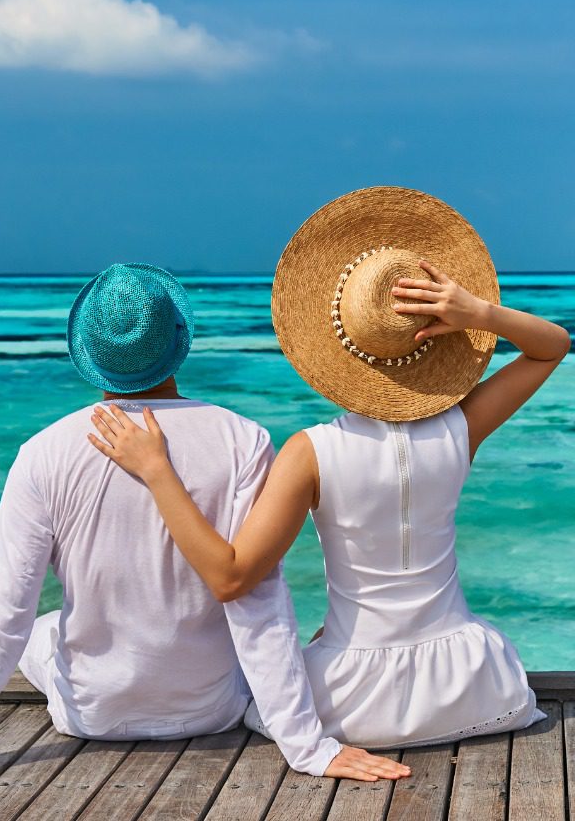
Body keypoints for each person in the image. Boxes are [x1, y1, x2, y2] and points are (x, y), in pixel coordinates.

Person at [0, 261, 409, 789]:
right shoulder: (244, 439)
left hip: (92, 714)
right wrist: (306, 747)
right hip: (209, 709)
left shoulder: (44, 452)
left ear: (86, 350)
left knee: (33, 624)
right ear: (179, 345)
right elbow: (256, 602)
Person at [87, 188, 570, 750]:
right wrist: (477, 313)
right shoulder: (461, 430)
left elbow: (231, 577)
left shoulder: (311, 452)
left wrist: (157, 471)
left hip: (354, 702)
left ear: (333, 346)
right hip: (475, 686)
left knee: (249, 687)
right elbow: (552, 346)